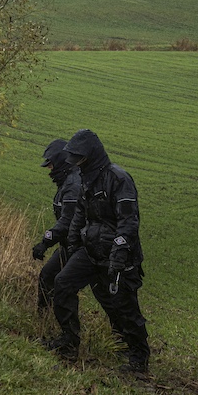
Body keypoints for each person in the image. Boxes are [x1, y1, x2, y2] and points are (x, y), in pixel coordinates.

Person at [47, 129, 150, 373]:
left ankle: (138, 357)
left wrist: (120, 253)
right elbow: (80, 214)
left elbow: (129, 220)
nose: (74, 164)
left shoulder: (118, 178)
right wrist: (73, 244)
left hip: (118, 254)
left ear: (90, 155)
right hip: (90, 250)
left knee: (125, 306)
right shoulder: (85, 178)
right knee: (62, 283)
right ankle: (69, 341)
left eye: (78, 158)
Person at [32, 139, 82, 315]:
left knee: (63, 283)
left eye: (51, 165)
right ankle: (44, 319)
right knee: (48, 275)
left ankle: (68, 336)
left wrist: (45, 241)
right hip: (70, 245)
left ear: (61, 161)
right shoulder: (68, 182)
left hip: (81, 247)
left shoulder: (73, 185)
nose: (49, 170)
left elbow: (67, 221)